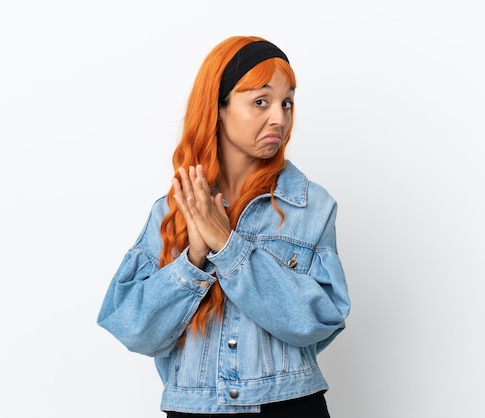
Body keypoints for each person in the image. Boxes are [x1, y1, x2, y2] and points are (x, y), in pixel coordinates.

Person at [97, 35, 351, 417]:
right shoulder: (173, 209)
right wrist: (194, 258)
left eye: (287, 103)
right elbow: (133, 328)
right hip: (194, 409)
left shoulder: (311, 206)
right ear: (218, 106)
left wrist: (227, 246)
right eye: (260, 101)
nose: (279, 118)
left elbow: (318, 321)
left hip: (291, 405)